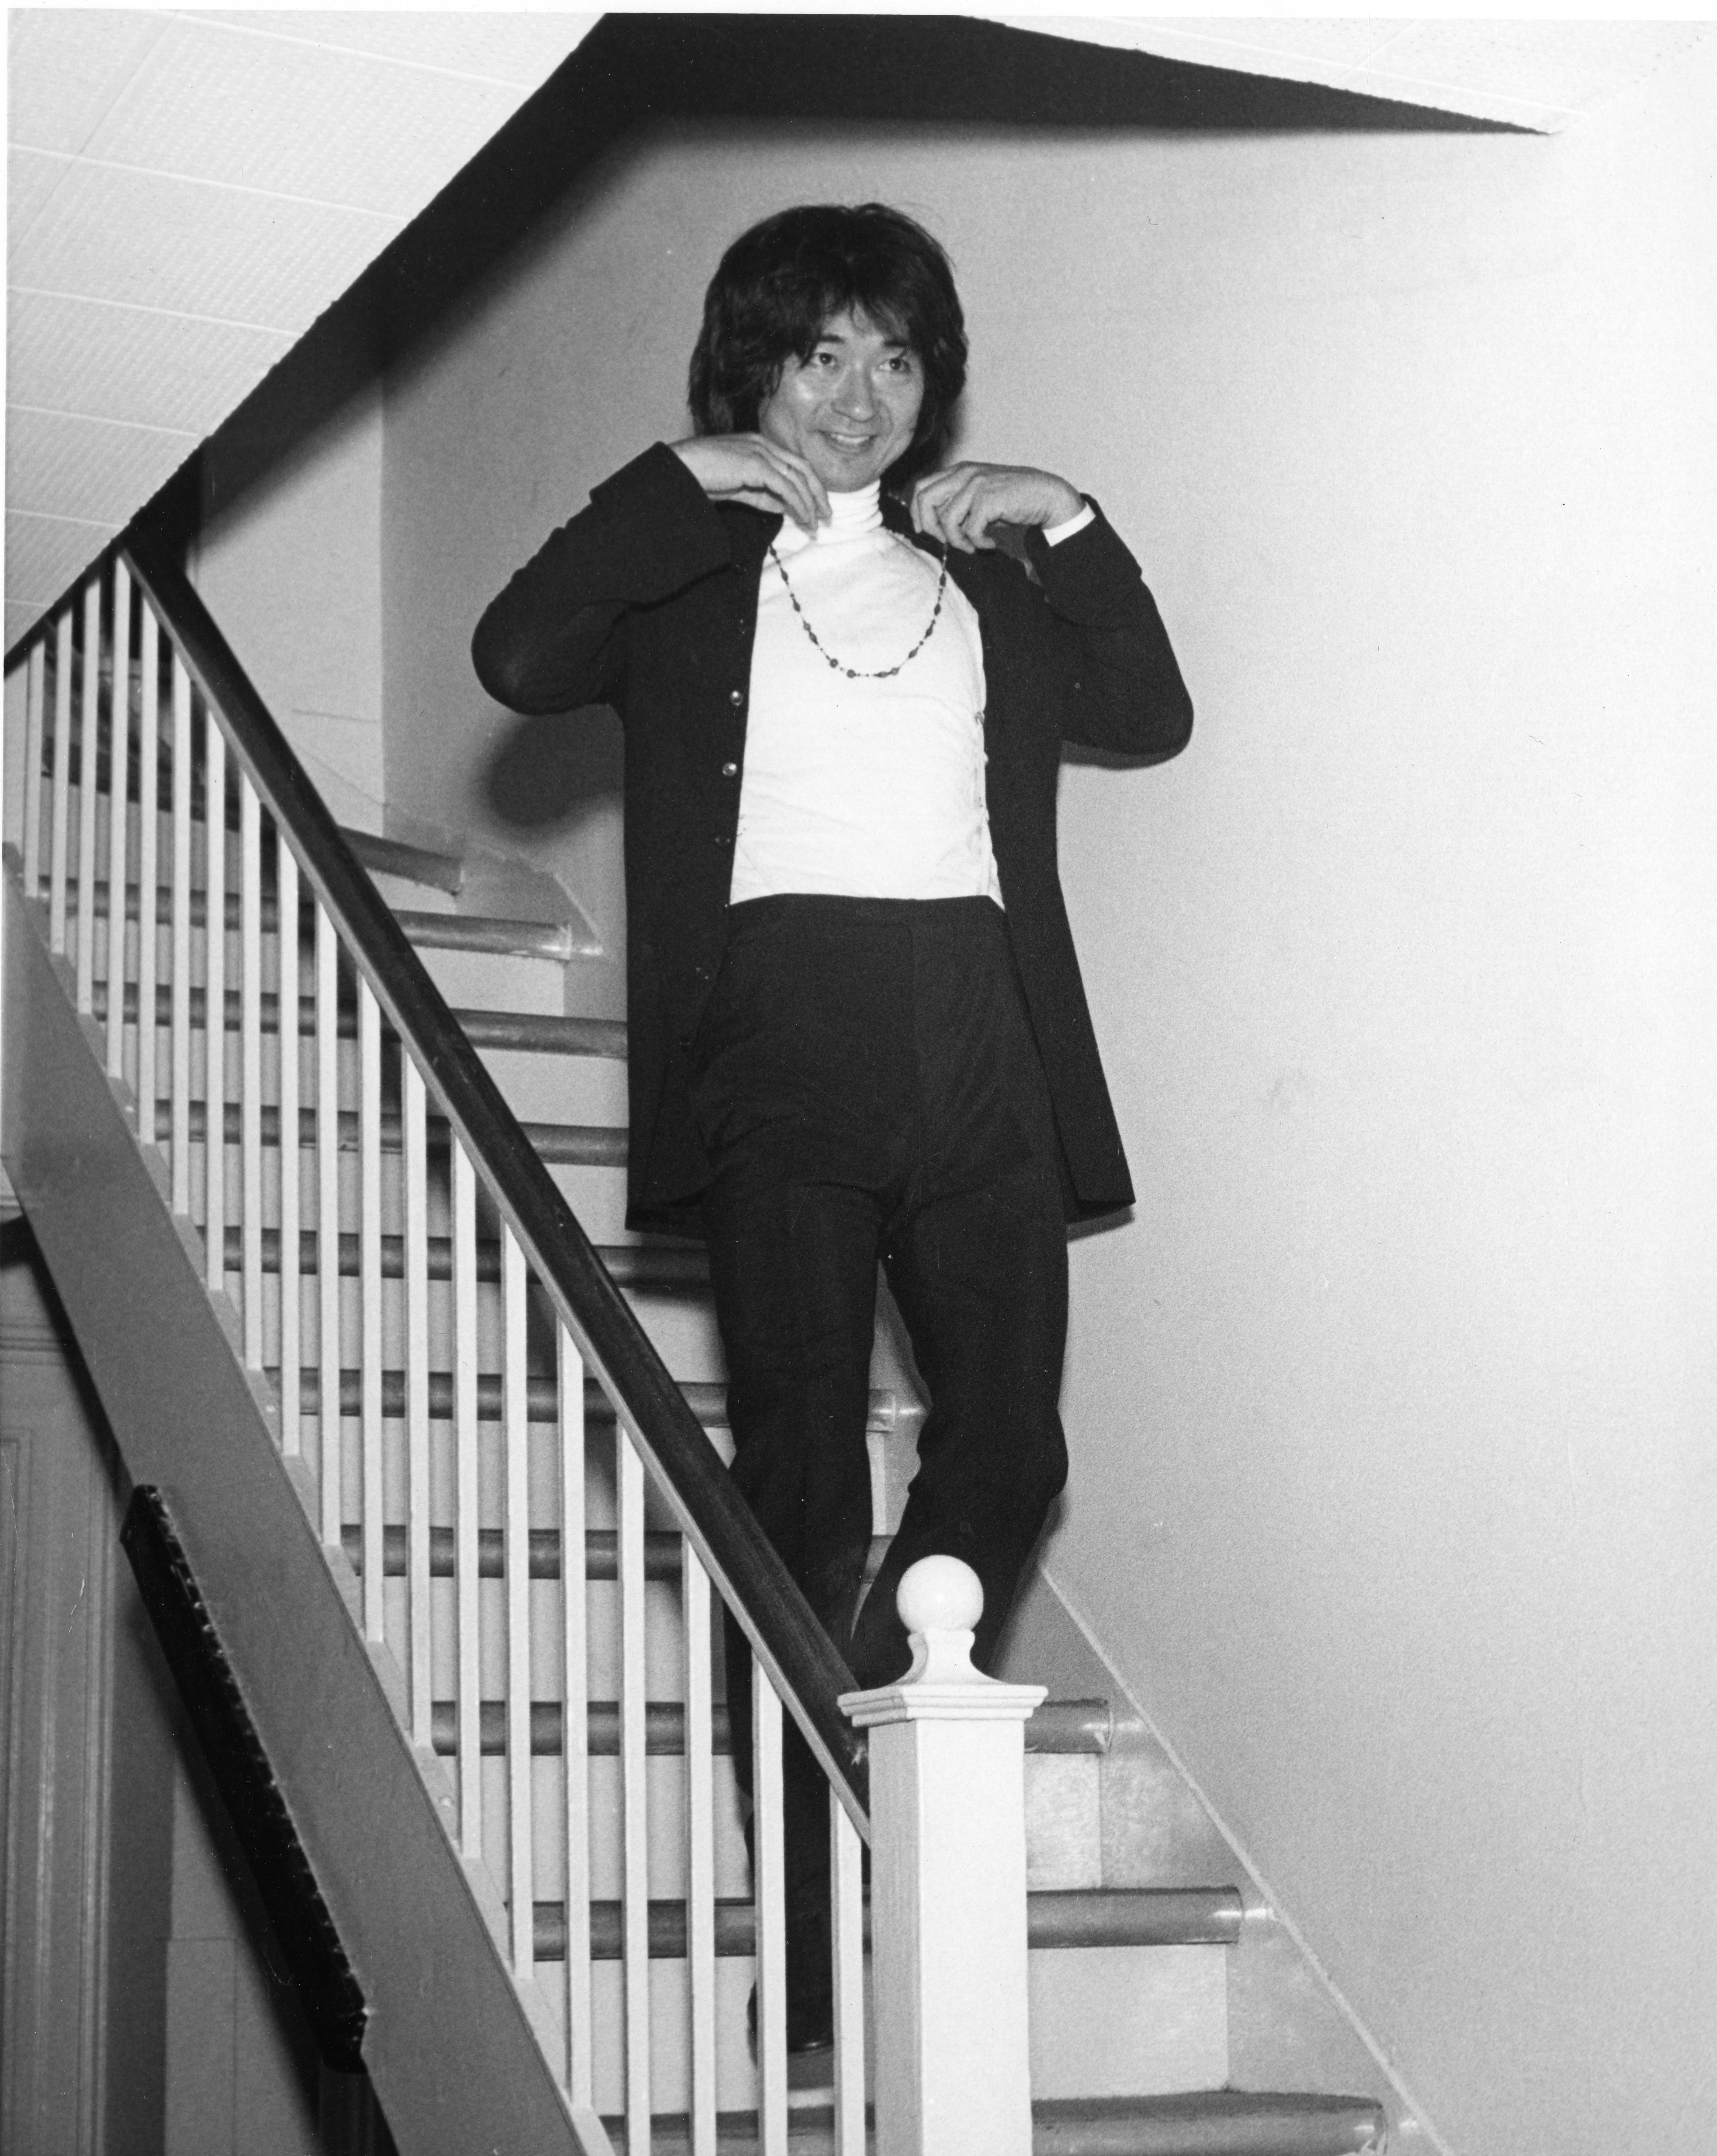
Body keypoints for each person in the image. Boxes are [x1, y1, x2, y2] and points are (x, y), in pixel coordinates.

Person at [471, 202, 1192, 2055]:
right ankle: (810, 1941)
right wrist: (671, 481)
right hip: (779, 1040)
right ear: (756, 370)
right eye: (822, 355)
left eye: (897, 355)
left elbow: (1153, 708)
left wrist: (1072, 517)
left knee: (1010, 1441)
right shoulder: (689, 585)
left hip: (981, 1035)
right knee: (797, 1485)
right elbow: (516, 655)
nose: (864, 395)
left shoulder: (989, 583)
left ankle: (868, 1726)